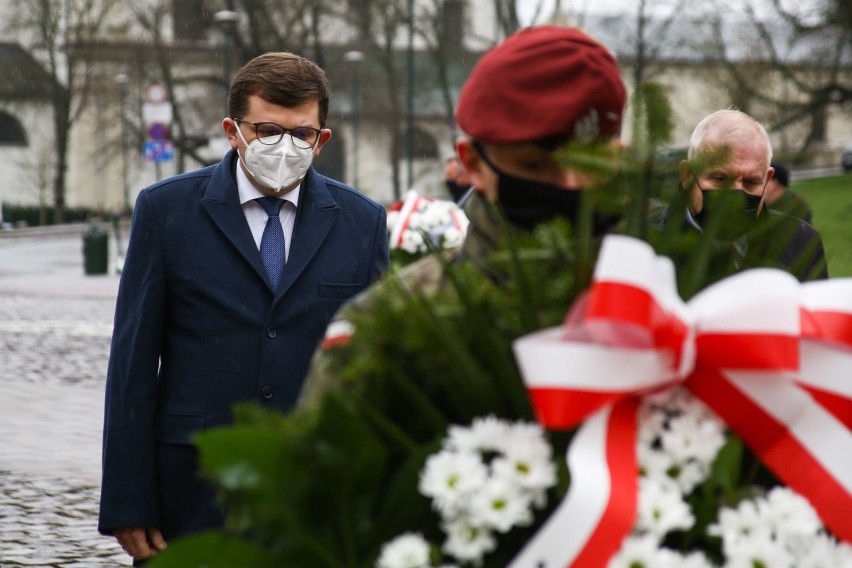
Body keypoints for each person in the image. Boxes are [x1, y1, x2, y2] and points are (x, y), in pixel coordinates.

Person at [98, 51, 389, 563]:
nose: (285, 146)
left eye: (302, 134)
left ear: (321, 140)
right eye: (267, 130)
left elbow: (376, 371)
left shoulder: (362, 223)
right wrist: (127, 499)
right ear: (233, 131)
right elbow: (132, 366)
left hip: (313, 494)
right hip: (190, 490)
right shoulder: (166, 211)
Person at [300, 24, 627, 404]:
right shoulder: (395, 323)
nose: (570, 185)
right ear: (473, 164)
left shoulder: (674, 300)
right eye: (536, 167)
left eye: (592, 163)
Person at [669, 109, 827, 281]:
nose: (736, 195)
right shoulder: (649, 245)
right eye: (721, 179)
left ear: (767, 180)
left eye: (750, 182)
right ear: (687, 175)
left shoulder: (800, 242)